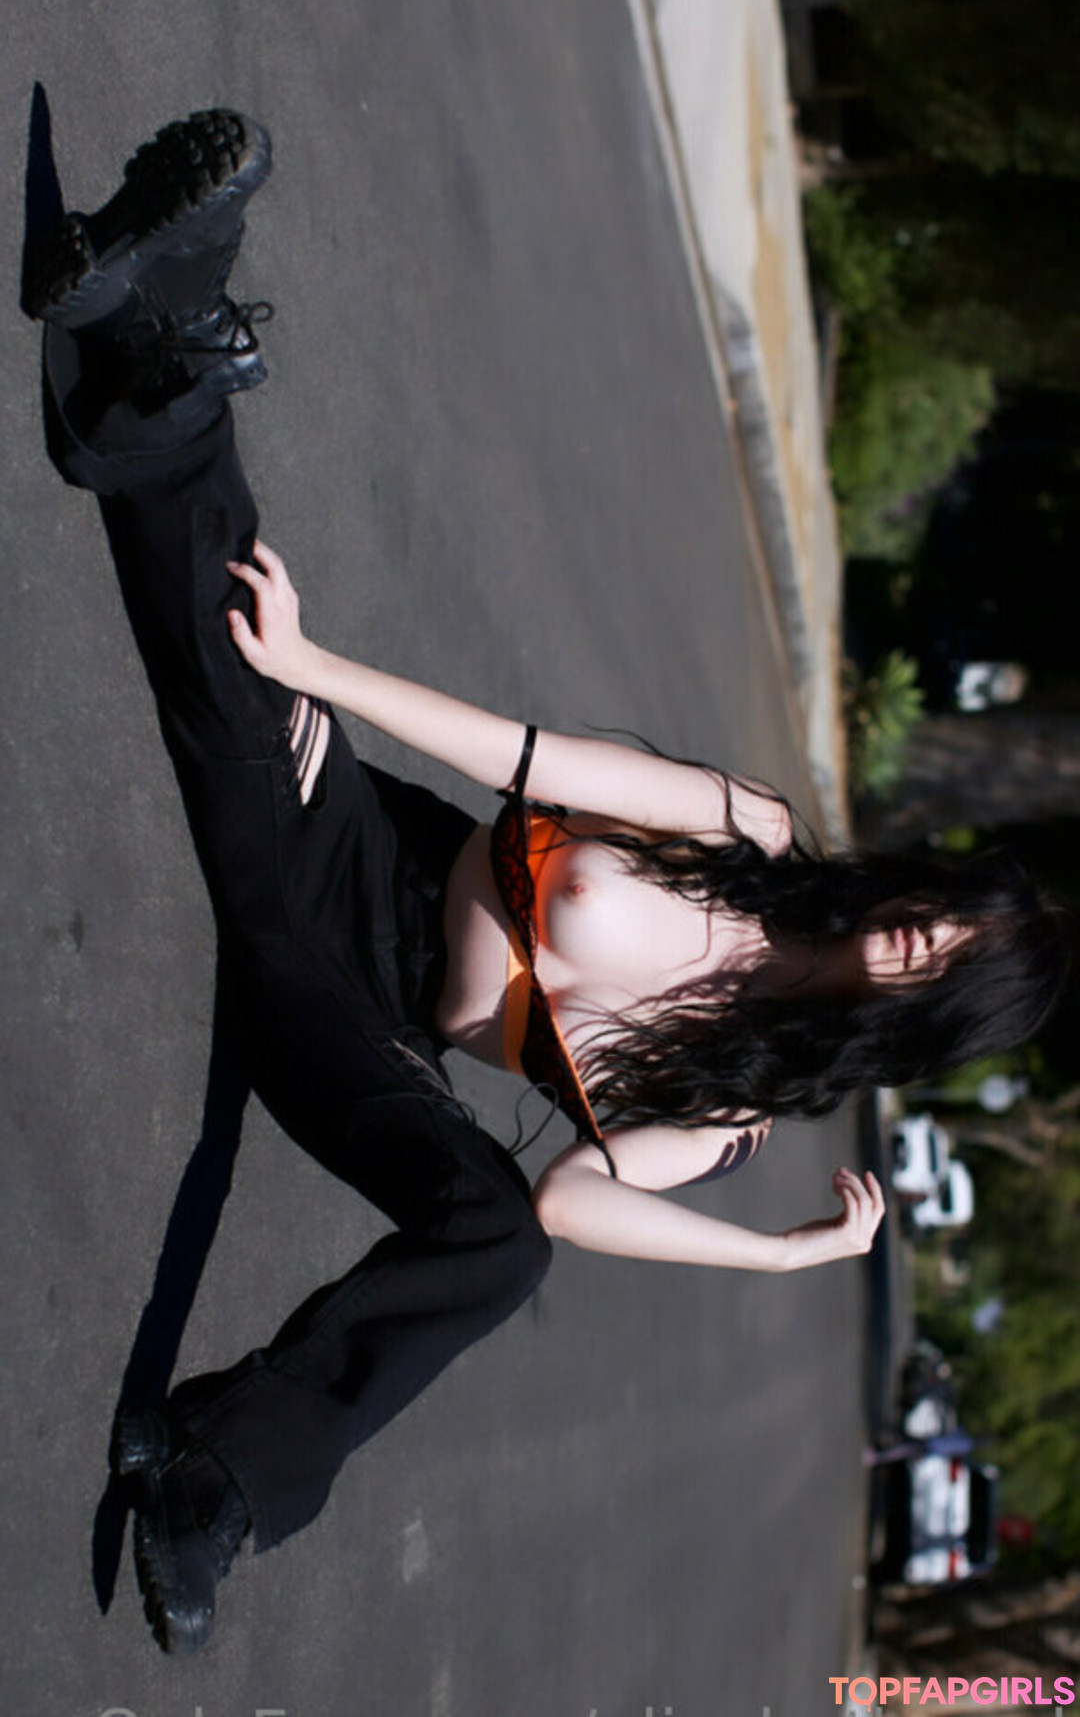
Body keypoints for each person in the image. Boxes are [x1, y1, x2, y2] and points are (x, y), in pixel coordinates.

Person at [28, 110, 1068, 1656]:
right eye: (950, 914)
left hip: (358, 1032)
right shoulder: (750, 833)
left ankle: (218, 1487)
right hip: (351, 843)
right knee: (249, 672)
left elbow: (574, 1201)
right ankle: (154, 322)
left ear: (937, 1016)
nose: (926, 938)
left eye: (952, 966)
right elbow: (528, 758)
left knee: (502, 1244)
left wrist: (783, 1250)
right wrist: (322, 668)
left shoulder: (736, 1103)